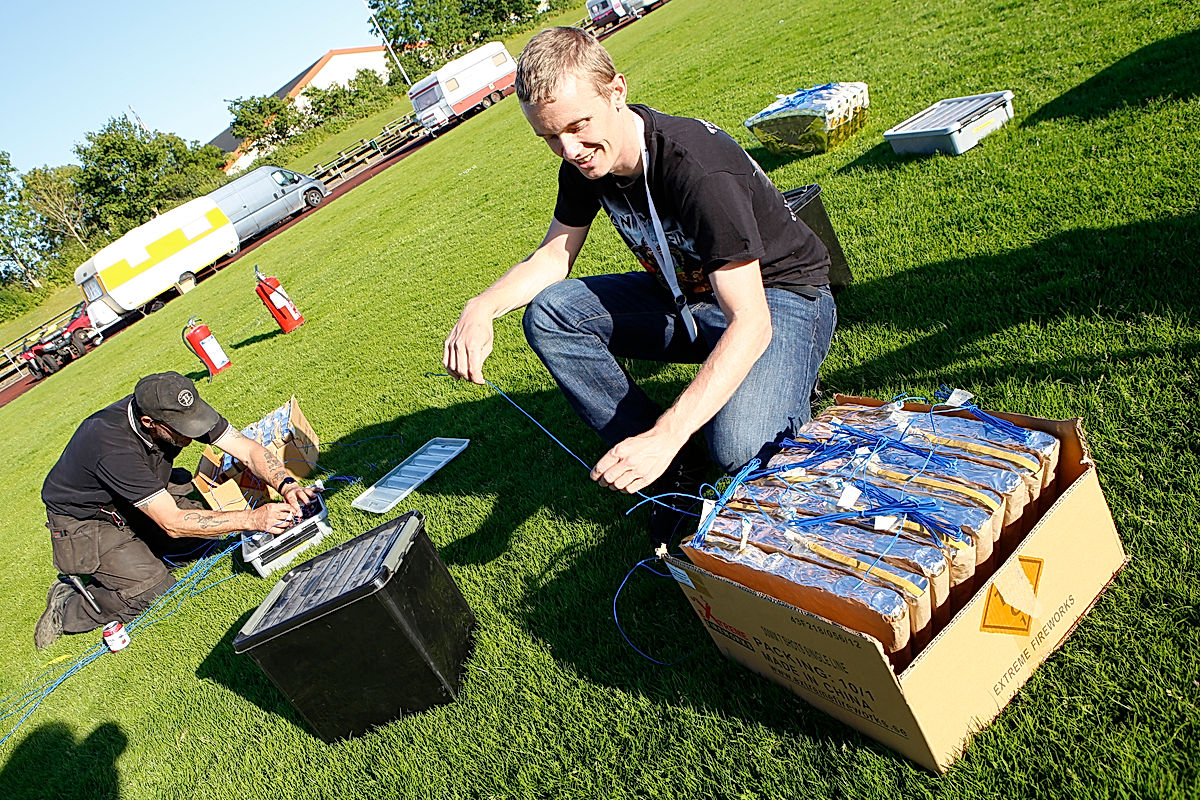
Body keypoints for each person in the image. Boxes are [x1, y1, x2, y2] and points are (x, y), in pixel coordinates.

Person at [443, 27, 836, 545]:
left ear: (617, 91)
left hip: (779, 298)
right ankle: (672, 470)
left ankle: (734, 412)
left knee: (739, 447)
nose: (570, 150)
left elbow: (752, 321)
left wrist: (669, 433)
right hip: (691, 298)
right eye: (549, 137)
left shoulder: (696, 170)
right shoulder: (584, 162)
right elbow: (555, 254)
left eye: (578, 127)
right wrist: (482, 305)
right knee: (552, 314)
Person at [34, 372, 317, 649]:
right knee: (151, 589)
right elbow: (173, 521)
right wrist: (253, 518)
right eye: (183, 429)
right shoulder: (110, 446)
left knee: (205, 543)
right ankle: (69, 604)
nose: (193, 433)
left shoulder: (177, 406)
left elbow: (247, 449)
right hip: (91, 519)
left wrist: (287, 485)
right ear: (149, 423)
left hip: (145, 490)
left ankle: (142, 551)